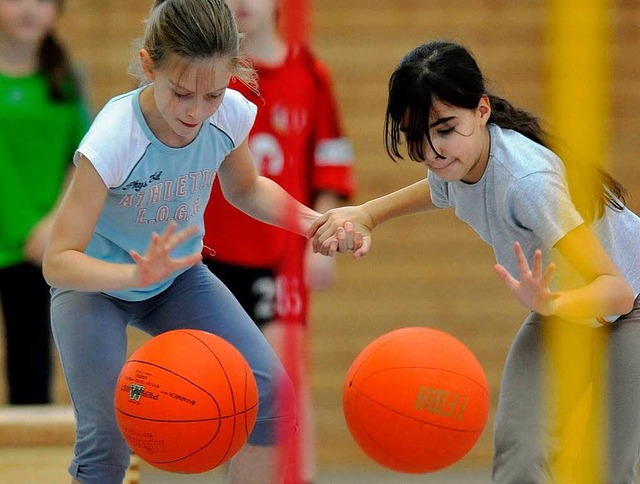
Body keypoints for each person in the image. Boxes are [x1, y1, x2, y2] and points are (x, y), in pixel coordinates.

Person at [310, 40, 640, 483]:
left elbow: (615, 291)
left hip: (627, 306)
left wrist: (554, 305)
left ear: (482, 110)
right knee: (519, 454)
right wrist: (368, 213)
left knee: (605, 471)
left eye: (445, 129)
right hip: (562, 306)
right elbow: (438, 186)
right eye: (416, 136)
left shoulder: (527, 184)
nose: (431, 152)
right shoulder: (461, 159)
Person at [41, 0, 326, 482]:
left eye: (212, 94)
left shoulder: (230, 114)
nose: (196, 112)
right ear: (150, 66)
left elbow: (245, 188)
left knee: (274, 402)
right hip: (95, 289)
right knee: (105, 446)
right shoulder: (115, 137)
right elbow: (58, 261)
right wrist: (134, 273)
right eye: (180, 94)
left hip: (176, 280)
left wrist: (312, 223)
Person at [202, 1, 355, 482]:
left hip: (279, 258)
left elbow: (329, 161)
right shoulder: (204, 74)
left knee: (281, 383)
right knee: (227, 393)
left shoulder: (308, 73)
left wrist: (320, 239)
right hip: (209, 257)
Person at [0, 0, 90, 405]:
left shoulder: (65, 82)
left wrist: (55, 222)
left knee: (32, 372)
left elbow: (84, 160)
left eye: (43, 1)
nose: (30, 10)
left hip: (36, 249)